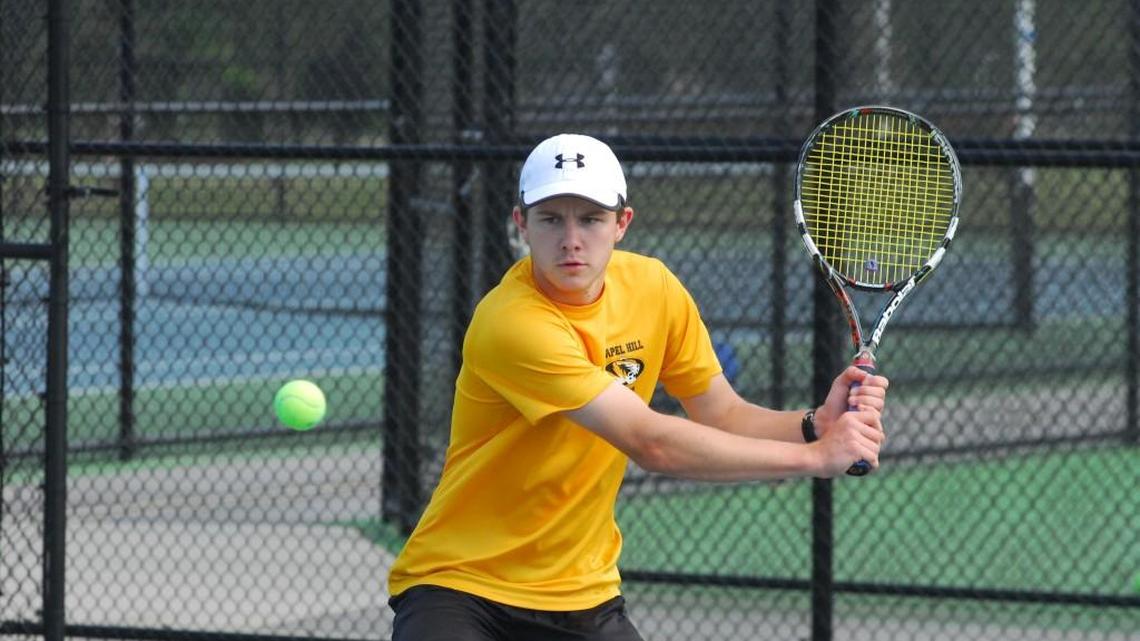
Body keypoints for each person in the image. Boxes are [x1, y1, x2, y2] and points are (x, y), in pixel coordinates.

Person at [386, 133, 889, 641]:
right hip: (460, 586)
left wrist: (813, 426)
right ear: (521, 224)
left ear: (622, 223)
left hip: (581, 592)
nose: (571, 239)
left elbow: (722, 414)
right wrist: (816, 458)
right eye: (551, 219)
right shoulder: (511, 323)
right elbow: (650, 443)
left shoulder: (654, 289)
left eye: (590, 219)